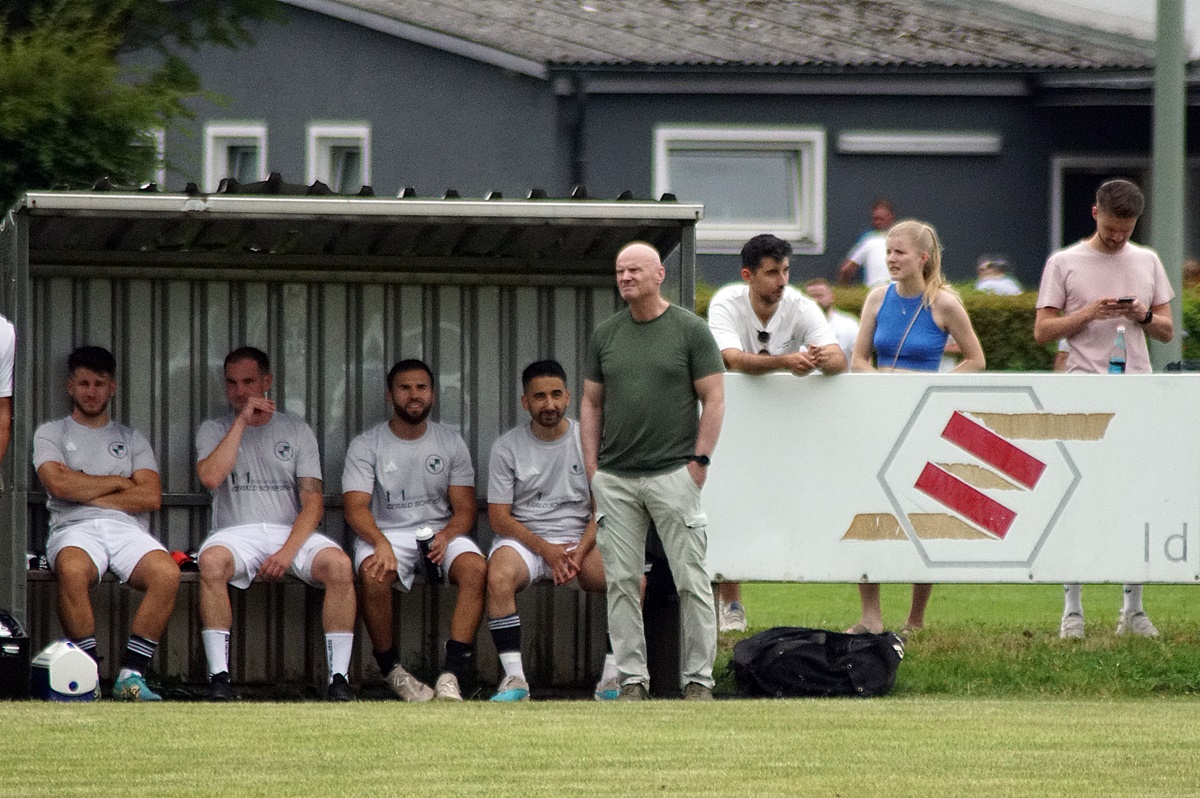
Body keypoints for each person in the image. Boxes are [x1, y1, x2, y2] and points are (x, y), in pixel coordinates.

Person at [581, 241, 725, 701]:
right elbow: (590, 402)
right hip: (616, 479)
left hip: (673, 475)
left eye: (634, 270)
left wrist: (698, 463)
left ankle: (699, 681)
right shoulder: (606, 335)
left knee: (692, 580)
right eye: (620, 271)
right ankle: (632, 682)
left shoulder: (690, 330)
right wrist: (592, 471)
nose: (625, 278)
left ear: (659, 274)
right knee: (621, 581)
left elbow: (715, 399)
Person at [1033, 177, 1174, 639]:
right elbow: (1043, 332)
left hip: (1135, 390)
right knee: (1077, 497)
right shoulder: (1065, 262)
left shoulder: (1148, 261)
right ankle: (1072, 607)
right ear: (1095, 215)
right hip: (1082, 389)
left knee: (1136, 498)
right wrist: (1088, 314)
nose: (1117, 239)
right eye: (1112, 229)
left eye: (1126, 231)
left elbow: (1168, 331)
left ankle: (1133, 607)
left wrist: (1142, 316)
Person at [196, 347, 357, 701]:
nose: (240, 391)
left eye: (249, 382)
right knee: (210, 562)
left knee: (340, 566)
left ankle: (338, 679)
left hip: (289, 534)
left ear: (267, 382)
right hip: (235, 534)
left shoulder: (296, 430)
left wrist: (287, 552)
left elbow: (313, 503)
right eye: (232, 383)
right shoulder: (214, 429)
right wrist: (241, 421)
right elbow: (210, 477)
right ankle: (219, 679)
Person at [849, 220, 985, 634]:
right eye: (888, 252)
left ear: (922, 259)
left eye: (899, 252)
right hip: (880, 418)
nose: (890, 259)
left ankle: (915, 619)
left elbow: (976, 360)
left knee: (922, 515)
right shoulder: (876, 298)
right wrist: (883, 385)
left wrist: (931, 389)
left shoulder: (944, 303)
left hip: (925, 423)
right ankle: (870, 616)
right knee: (868, 514)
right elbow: (858, 360)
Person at [707, 234, 846, 632]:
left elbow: (838, 359)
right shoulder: (726, 302)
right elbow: (730, 359)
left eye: (786, 271)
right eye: (772, 273)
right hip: (727, 418)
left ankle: (795, 578)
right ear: (748, 275)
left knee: (782, 498)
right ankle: (729, 600)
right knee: (727, 501)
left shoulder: (800, 305)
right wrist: (788, 361)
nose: (782, 281)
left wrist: (819, 359)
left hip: (783, 421)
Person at [33, 345, 180, 700]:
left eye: (99, 383)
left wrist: (83, 483)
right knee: (71, 570)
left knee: (167, 574)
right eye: (83, 383)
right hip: (73, 527)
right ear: (70, 387)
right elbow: (58, 484)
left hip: (126, 527)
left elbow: (150, 497)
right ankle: (90, 676)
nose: (91, 391)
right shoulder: (50, 433)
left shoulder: (131, 438)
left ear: (112, 387)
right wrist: (118, 480)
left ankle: (131, 676)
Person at [343, 358, 487, 701]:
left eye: (421, 387)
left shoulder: (450, 443)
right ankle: (393, 671)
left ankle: (451, 674)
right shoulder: (367, 444)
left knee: (477, 570)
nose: (414, 395)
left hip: (439, 532)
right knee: (374, 575)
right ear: (390, 395)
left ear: (432, 394)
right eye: (405, 388)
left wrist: (447, 536)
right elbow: (355, 507)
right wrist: (380, 543)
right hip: (386, 534)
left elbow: (465, 509)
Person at [485, 359, 619, 702]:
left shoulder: (589, 438)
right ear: (525, 402)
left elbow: (603, 505)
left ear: (569, 397)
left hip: (580, 542)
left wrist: (579, 551)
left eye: (556, 395)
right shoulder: (507, 447)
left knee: (631, 578)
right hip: (526, 543)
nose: (549, 404)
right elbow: (499, 518)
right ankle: (514, 680)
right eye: (539, 396)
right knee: (498, 576)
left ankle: (613, 679)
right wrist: (547, 550)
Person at [837, 198, 896, 287]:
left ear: (891, 217)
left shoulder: (903, 237)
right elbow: (847, 269)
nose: (878, 222)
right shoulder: (868, 238)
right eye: (875, 219)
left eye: (881, 219)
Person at [804, 277, 861, 363]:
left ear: (832, 297)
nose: (815, 301)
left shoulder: (850, 325)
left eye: (820, 296)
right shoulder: (796, 327)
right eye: (811, 297)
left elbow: (862, 360)